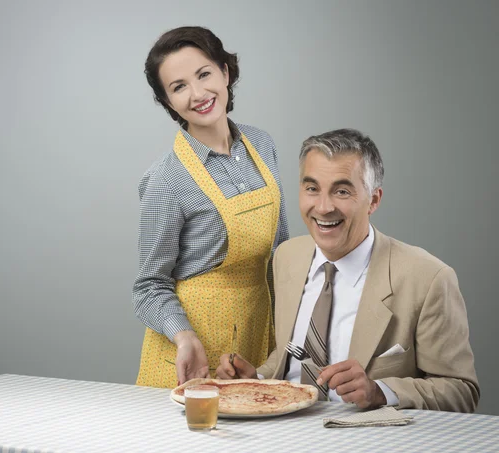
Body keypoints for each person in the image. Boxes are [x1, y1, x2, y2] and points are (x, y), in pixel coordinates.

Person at [216, 128, 479, 412]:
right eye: (312, 188)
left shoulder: (428, 279)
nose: (324, 207)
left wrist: (380, 391)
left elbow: (461, 391)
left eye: (342, 191)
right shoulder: (287, 257)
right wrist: (257, 379)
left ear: (374, 200)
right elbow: (289, 355)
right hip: (284, 431)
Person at [133, 26, 289, 389]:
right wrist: (184, 336)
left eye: (204, 74)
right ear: (168, 102)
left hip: (255, 343)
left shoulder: (262, 145)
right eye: (179, 86)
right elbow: (148, 287)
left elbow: (280, 252)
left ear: (225, 72)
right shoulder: (166, 180)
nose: (198, 93)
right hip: (189, 354)